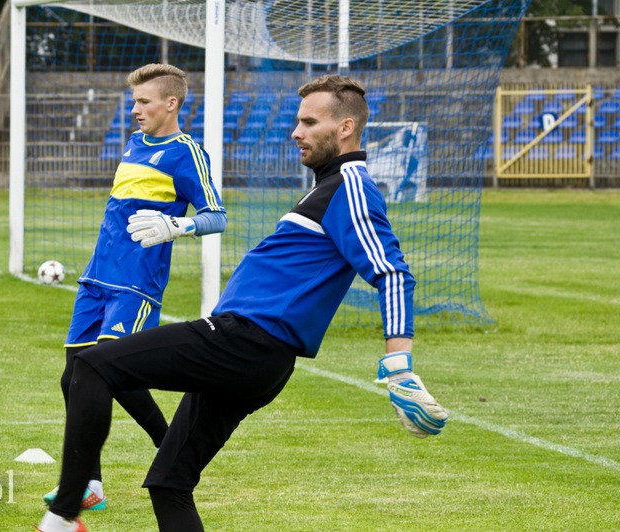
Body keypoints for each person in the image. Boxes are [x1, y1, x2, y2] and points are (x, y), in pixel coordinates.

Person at [36, 74, 448, 532]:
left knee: (93, 366)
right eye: (298, 122)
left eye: (310, 123)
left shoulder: (350, 185)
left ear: (345, 128)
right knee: (169, 483)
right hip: (255, 354)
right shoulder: (326, 186)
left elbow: (391, 272)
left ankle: (66, 511)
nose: (297, 132)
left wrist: (399, 365)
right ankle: (76, 500)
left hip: (245, 340)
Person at [43, 63, 227, 511]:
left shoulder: (188, 152)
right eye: (134, 101)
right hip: (95, 278)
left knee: (110, 372)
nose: (135, 109)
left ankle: (170, 448)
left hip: (135, 285)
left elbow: (216, 215)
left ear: (171, 103)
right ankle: (90, 484)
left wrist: (177, 225)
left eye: (144, 102)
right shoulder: (133, 143)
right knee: (74, 378)